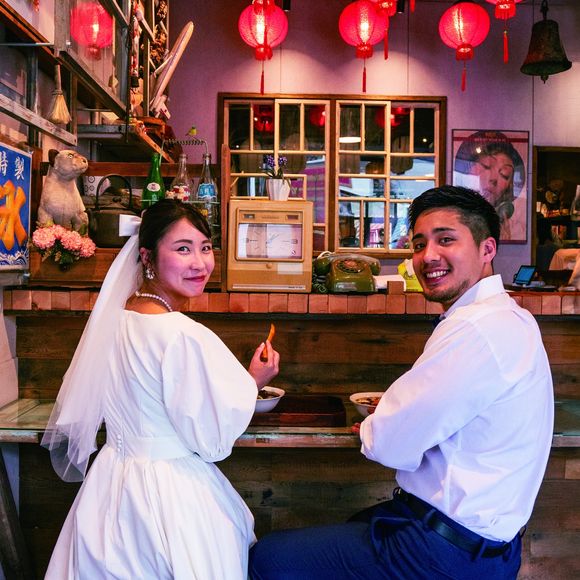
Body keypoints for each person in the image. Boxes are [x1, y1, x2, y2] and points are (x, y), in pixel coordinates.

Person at [249, 185, 553, 580]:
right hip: (490, 548)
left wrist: (378, 427)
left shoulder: (476, 328)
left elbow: (391, 442)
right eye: (419, 244)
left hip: (443, 552)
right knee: (357, 523)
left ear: (487, 248)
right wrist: (394, 420)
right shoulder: (511, 317)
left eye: (446, 240)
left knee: (267, 560)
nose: (428, 256)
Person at [42, 199, 280, 579]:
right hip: (169, 494)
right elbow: (212, 442)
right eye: (183, 249)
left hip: (110, 484)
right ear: (147, 257)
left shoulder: (116, 319)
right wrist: (252, 384)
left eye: (205, 248)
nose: (200, 263)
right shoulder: (181, 334)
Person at [454, 131, 526, 242]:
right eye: (486, 166)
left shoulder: (517, 230)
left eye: (504, 174)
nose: (493, 179)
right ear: (467, 169)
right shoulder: (452, 219)